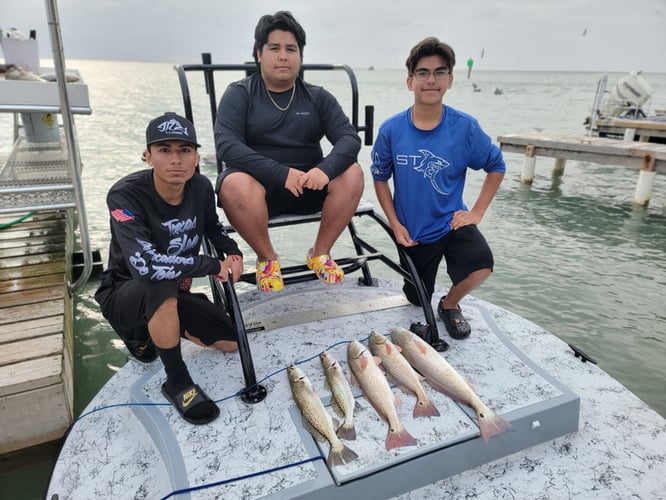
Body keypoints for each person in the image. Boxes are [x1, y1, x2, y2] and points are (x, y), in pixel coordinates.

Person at [95, 112, 245, 425]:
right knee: (158, 283)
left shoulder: (201, 187)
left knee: (230, 341)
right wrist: (212, 265)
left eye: (184, 150)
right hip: (124, 290)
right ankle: (175, 379)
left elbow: (212, 227)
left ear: (196, 157)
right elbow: (146, 265)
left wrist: (232, 252)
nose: (175, 159)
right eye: (164, 150)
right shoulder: (124, 195)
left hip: (172, 289)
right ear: (148, 156)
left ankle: (165, 323)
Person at [214, 10, 364, 293]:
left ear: (300, 56)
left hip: (310, 185)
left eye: (291, 49)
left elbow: (348, 138)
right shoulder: (240, 93)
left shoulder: (318, 96)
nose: (283, 56)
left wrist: (324, 170)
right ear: (259, 53)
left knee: (353, 172)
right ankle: (267, 259)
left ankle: (320, 253)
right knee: (232, 183)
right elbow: (226, 145)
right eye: (274, 48)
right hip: (259, 191)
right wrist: (280, 173)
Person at [370, 37, 505, 340]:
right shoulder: (391, 130)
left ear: (450, 80)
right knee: (417, 298)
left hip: (452, 222)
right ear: (410, 81)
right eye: (423, 73)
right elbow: (379, 177)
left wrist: (477, 212)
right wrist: (394, 224)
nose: (431, 80)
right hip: (414, 233)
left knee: (481, 265)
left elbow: (496, 166)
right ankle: (427, 291)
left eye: (439, 72)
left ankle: (450, 303)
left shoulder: (465, 127)